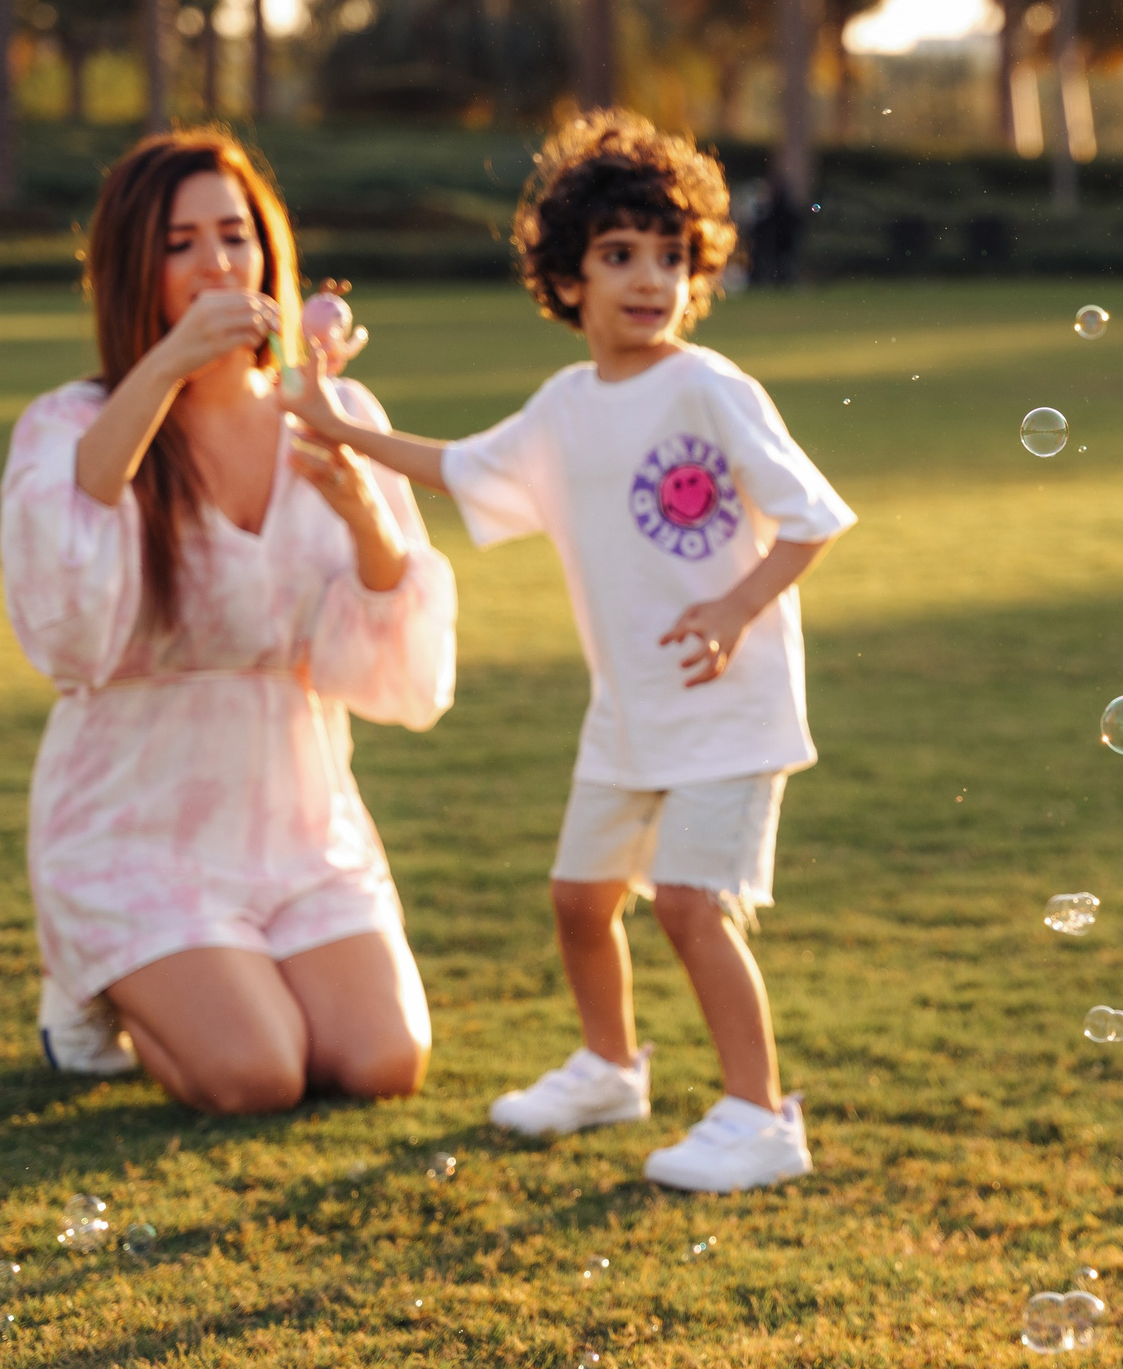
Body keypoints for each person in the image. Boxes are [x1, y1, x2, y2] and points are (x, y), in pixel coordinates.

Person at [278, 110, 854, 1194]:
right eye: (619, 254)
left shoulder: (710, 387)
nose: (650, 279)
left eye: (672, 257)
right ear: (568, 277)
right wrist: (339, 425)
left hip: (728, 708)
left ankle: (759, 1114)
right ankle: (607, 1066)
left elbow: (814, 517)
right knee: (579, 899)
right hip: (628, 713)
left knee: (688, 903)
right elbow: (459, 463)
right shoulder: (566, 406)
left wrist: (734, 607)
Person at [0, 129, 456, 1115]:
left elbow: (386, 656)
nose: (215, 263)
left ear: (268, 251)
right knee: (257, 1073)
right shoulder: (72, 424)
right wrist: (165, 368)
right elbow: (69, 612)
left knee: (381, 1062)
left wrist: (362, 510)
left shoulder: (329, 409)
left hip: (293, 819)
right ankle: (89, 998)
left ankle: (225, 975)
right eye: (179, 244)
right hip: (133, 821)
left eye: (235, 236)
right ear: (135, 269)